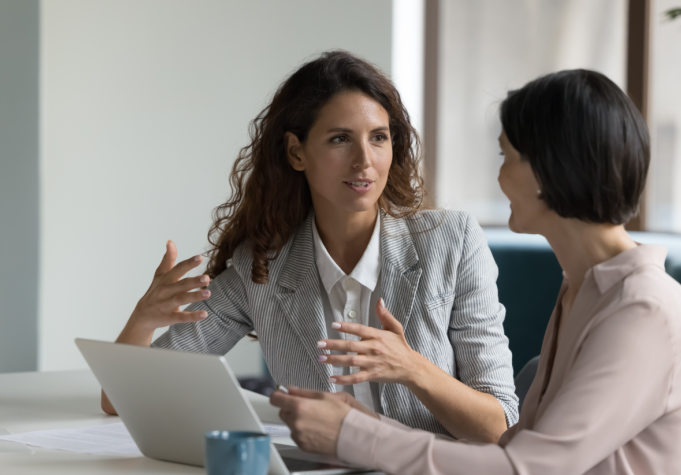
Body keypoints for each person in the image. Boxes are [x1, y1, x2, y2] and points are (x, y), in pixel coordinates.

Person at [270, 69, 681, 474]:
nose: (498, 176)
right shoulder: (583, 289)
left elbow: (527, 467)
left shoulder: (641, 309)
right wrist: (366, 425)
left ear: (549, 170)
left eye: (507, 157)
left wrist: (352, 435)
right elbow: (516, 447)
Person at [101, 50, 519, 442]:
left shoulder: (452, 241)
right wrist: (143, 319)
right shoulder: (261, 268)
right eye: (340, 139)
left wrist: (414, 370)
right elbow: (120, 400)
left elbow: (501, 426)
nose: (364, 160)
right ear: (296, 152)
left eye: (378, 137)